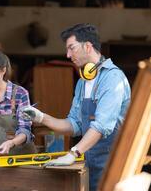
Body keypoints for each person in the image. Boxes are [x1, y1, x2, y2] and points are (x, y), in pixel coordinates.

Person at [22, 23, 131, 191]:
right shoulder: (83, 82)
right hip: (90, 162)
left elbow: (101, 126)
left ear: (88, 46)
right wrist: (42, 117)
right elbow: (74, 125)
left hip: (113, 165)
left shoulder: (113, 78)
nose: (67, 55)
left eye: (71, 48)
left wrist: (73, 154)